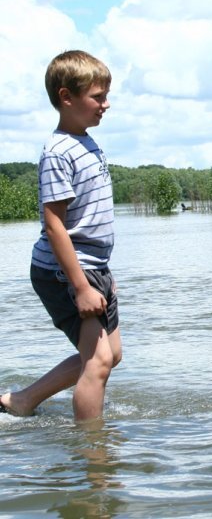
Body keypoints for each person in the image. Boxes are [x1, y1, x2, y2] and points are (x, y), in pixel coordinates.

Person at [0, 50, 122, 423]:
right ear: (66, 97)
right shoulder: (57, 152)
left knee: (109, 355)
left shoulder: (86, 142)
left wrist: (103, 275)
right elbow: (54, 224)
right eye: (97, 97)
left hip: (91, 267)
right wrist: (82, 286)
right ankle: (94, 461)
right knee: (98, 362)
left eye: (106, 96)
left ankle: (21, 401)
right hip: (65, 271)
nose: (106, 104)